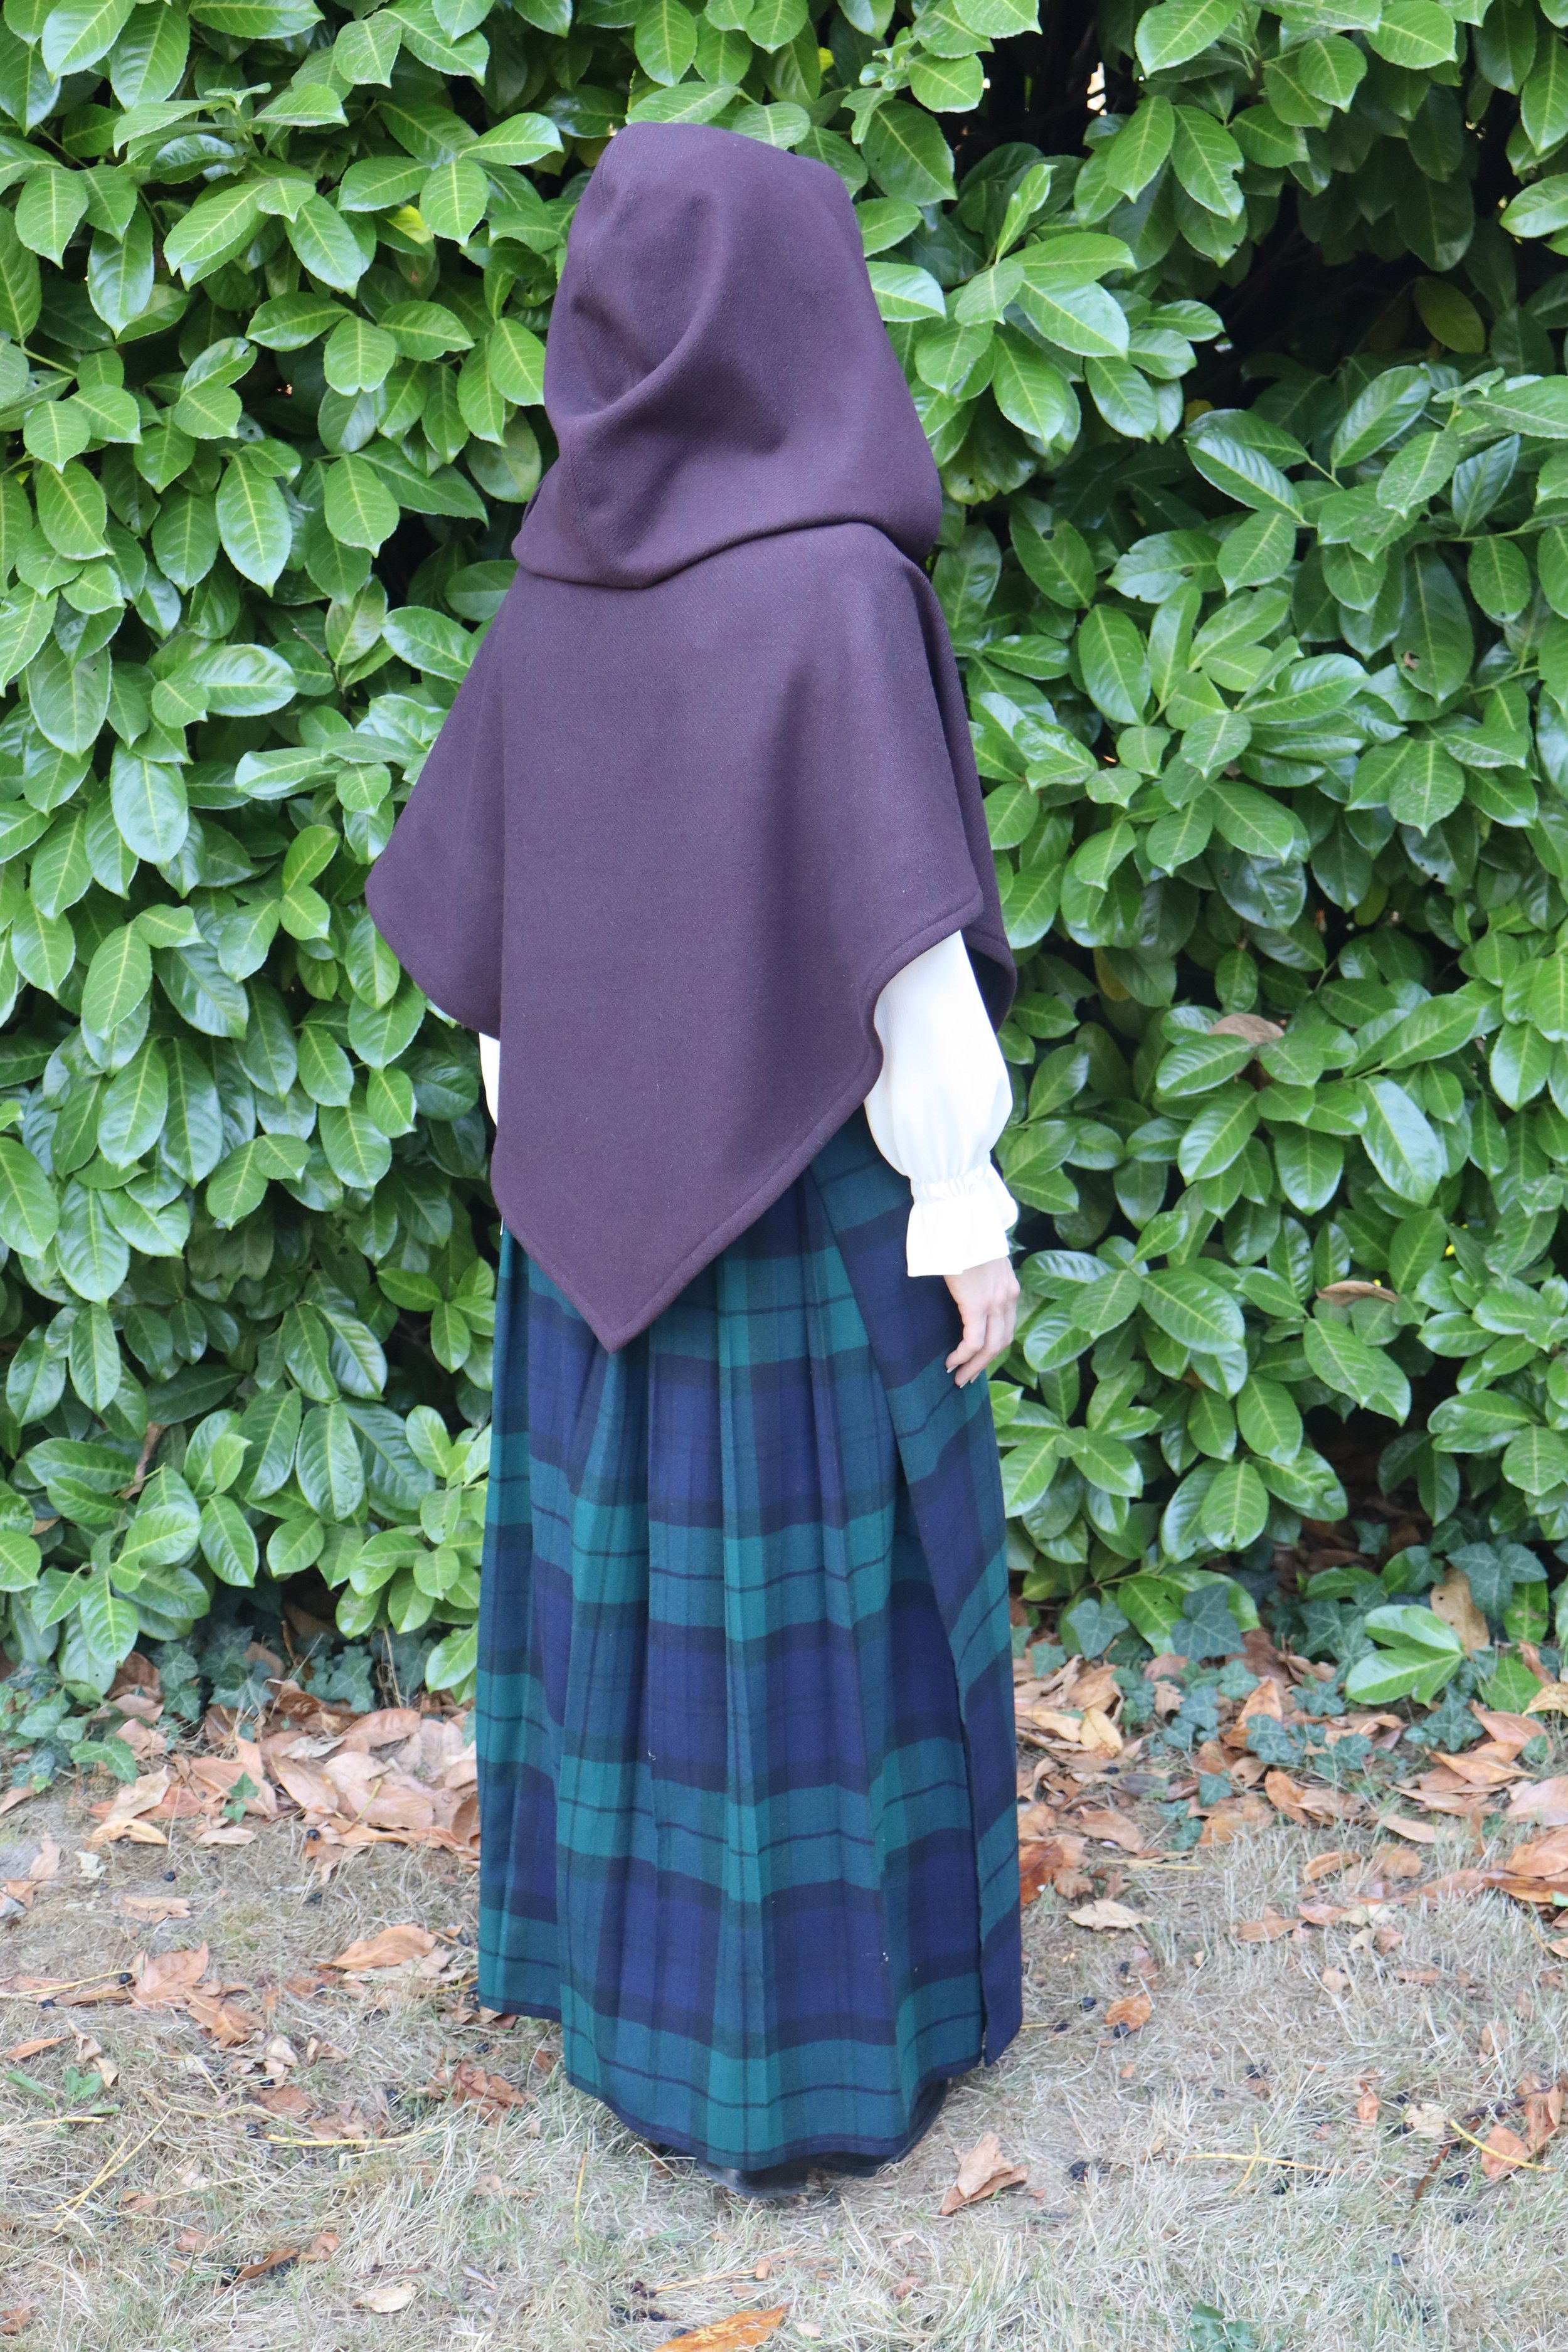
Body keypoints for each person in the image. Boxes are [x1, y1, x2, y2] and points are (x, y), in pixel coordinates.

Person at [366, 120, 1024, 2197]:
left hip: (594, 1228)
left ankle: (623, 2000)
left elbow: (482, 969)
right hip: (807, 1212)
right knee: (822, 1628)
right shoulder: (836, 586)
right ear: (795, 310)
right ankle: (831, 2046)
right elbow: (901, 950)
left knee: (628, 1603)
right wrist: (960, 1199)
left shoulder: (553, 589)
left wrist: (567, 1139)